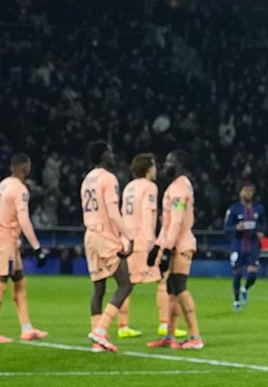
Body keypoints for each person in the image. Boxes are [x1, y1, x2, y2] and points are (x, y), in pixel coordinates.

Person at [146, 150, 204, 350]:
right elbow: (168, 224)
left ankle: (195, 336)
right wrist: (157, 247)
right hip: (175, 244)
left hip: (181, 245)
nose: (165, 165)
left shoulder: (179, 188)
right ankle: (170, 336)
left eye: (170, 161)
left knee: (179, 288)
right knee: (171, 291)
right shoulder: (176, 186)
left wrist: (167, 248)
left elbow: (177, 223)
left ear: (179, 164)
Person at [81, 141, 134, 354]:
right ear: (103, 155)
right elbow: (113, 213)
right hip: (104, 235)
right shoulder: (108, 178)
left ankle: (97, 339)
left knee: (99, 288)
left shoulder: (87, 179)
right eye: (110, 151)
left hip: (90, 235)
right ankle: (101, 330)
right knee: (125, 284)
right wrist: (128, 236)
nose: (113, 155)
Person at [0, 153, 48, 343]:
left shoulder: (3, 184)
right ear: (25, 168)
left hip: (1, 236)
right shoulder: (20, 189)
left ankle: (26, 328)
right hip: (5, 240)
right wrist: (37, 247)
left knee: (19, 282)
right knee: (0, 283)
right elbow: (24, 219)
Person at [116, 153, 172, 339]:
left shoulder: (129, 187)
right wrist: (151, 242)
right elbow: (148, 213)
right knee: (163, 279)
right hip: (141, 240)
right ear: (148, 168)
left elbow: (123, 213)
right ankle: (164, 324)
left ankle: (123, 326)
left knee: (126, 283)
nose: (156, 170)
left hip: (127, 240)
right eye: (154, 166)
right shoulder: (150, 187)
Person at [224, 181, 266, 310]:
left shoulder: (258, 209)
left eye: (250, 191)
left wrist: (261, 232)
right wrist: (236, 227)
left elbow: (263, 224)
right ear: (240, 192)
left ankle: (245, 288)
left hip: (253, 245)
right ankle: (236, 301)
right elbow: (226, 228)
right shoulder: (234, 209)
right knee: (237, 272)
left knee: (253, 272)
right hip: (238, 244)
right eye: (246, 190)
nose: (248, 193)